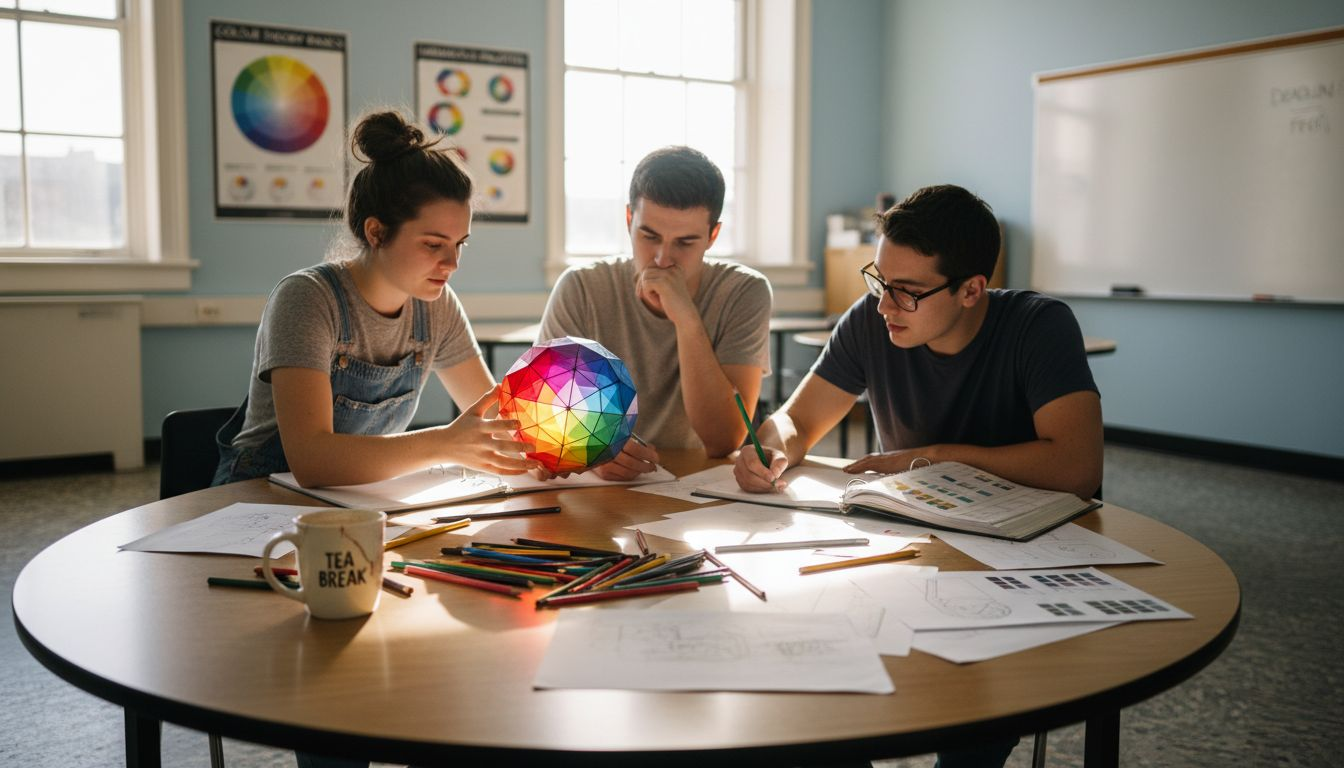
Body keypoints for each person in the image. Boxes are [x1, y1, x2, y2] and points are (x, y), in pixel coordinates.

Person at [732, 184, 1103, 768]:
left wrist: (932, 455)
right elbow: (798, 420)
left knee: (975, 718)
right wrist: (770, 446)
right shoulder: (870, 322)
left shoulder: (1038, 325)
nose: (885, 305)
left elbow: (1077, 467)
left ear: (971, 290)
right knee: (813, 673)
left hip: (1018, 560)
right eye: (879, 280)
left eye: (906, 291)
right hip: (910, 549)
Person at [213, 109, 538, 492]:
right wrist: (445, 444)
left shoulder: (438, 306)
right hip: (257, 498)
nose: (452, 264)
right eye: (433, 244)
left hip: (359, 499)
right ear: (376, 232)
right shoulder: (306, 299)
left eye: (459, 244)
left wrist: (552, 451)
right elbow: (311, 461)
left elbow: (497, 418)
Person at [537, 145, 772, 479]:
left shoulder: (744, 292)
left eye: (685, 242)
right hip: (597, 487)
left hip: (697, 482)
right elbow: (541, 419)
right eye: (649, 236)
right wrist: (588, 452)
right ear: (629, 219)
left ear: (713, 235)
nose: (662, 259)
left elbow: (724, 439)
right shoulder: (581, 288)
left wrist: (686, 319)